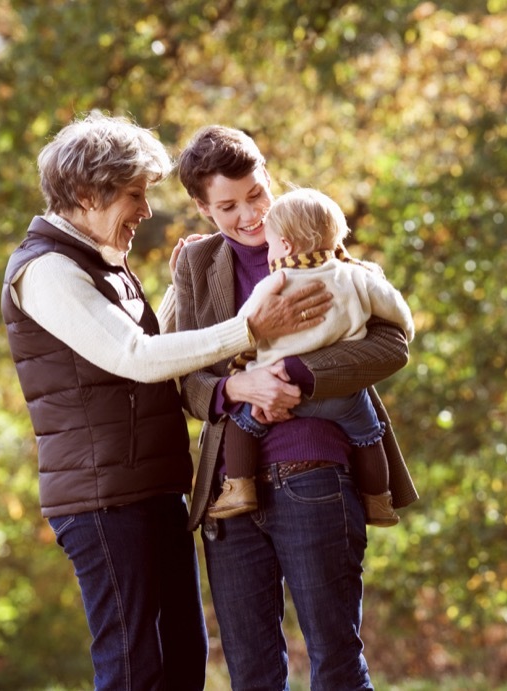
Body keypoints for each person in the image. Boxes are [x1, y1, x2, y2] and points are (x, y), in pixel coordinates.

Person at [0, 111, 332, 691]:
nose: (145, 212)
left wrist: (182, 283)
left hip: (151, 491)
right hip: (104, 502)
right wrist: (250, 328)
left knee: (182, 663)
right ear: (85, 193)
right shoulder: (46, 271)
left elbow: (156, 351)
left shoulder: (101, 263)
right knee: (135, 670)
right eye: (134, 195)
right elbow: (133, 355)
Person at [173, 125, 418, 691]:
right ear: (203, 208)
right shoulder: (195, 266)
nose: (251, 216)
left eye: (256, 194)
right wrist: (241, 387)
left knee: (335, 663)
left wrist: (299, 378)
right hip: (227, 496)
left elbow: (391, 344)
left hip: (314, 474)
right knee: (252, 675)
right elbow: (187, 378)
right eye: (228, 206)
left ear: (269, 180)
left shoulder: (319, 239)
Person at [209, 187, 416, 528]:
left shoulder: (274, 282)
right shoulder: (355, 275)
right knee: (368, 435)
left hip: (277, 387)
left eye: (272, 243)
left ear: (286, 246)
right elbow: (396, 310)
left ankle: (239, 486)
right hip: (343, 395)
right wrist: (406, 329)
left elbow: (243, 327)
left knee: (241, 423)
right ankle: (379, 500)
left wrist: (244, 367)